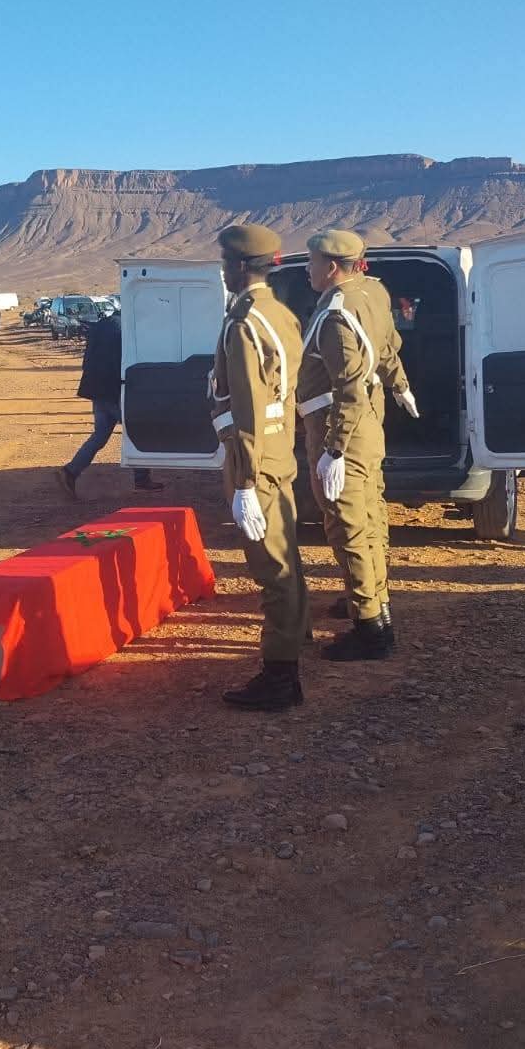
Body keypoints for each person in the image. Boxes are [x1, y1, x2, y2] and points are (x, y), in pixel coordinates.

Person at [296, 229, 418, 660]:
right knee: (370, 515)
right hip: (367, 422)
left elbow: (347, 388)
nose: (308, 269)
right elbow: (387, 348)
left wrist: (333, 450)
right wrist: (399, 384)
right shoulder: (373, 291)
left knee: (346, 525)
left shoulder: (336, 315)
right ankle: (373, 601)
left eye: (311, 262)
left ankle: (371, 629)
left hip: (341, 426)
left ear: (331, 267)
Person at [212, 224, 308, 712]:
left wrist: (246, 481)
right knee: (285, 558)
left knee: (273, 570)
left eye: (225, 264)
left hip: (256, 458)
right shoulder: (280, 314)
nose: (223, 272)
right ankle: (292, 647)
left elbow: (248, 405)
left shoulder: (245, 323)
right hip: (278, 450)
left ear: (239, 266)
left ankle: (280, 676)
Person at [55, 310, 164, 498]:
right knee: (136, 431)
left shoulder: (102, 325)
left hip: (97, 389)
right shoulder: (125, 329)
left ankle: (70, 472)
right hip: (114, 391)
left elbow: (87, 359)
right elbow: (124, 362)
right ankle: (141, 480)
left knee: (100, 435)